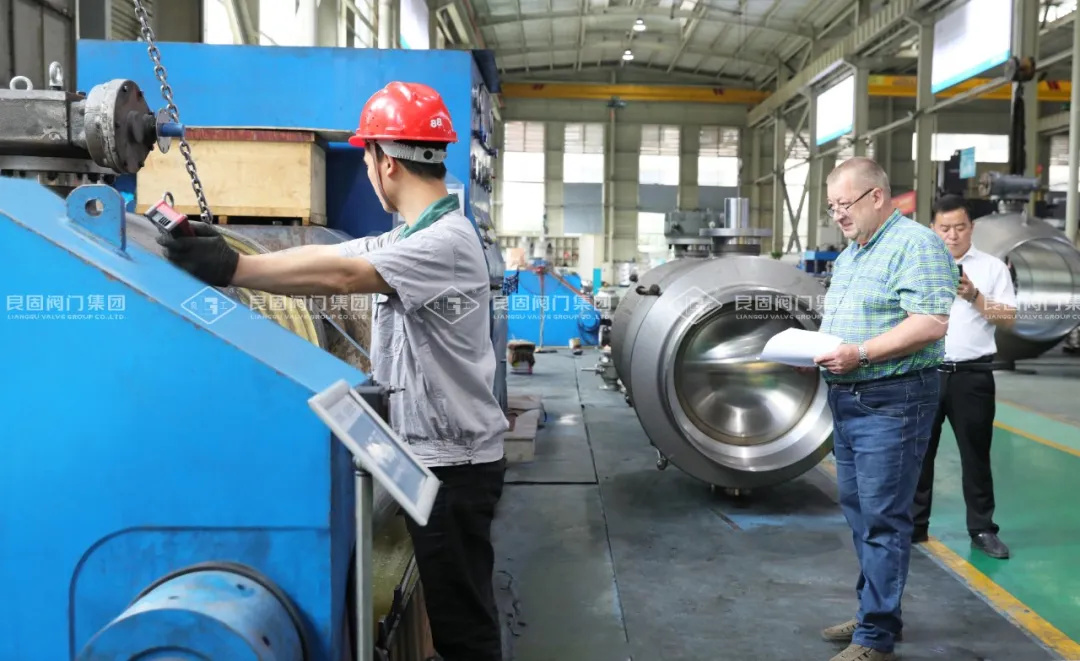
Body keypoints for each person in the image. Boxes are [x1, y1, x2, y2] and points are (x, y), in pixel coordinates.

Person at [158, 81, 509, 661]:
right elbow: (337, 256)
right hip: (439, 456)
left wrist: (234, 271)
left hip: (455, 466)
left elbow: (343, 277)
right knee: (456, 612)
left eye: (366, 159)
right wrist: (231, 251)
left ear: (385, 161)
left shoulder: (443, 243)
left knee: (463, 629)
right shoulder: (415, 234)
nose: (368, 172)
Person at [811, 158, 957, 661]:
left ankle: (875, 635)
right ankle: (875, 610)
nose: (838, 215)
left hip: (892, 400)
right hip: (848, 398)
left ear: (876, 196)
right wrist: (817, 355)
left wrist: (861, 353)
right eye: (831, 207)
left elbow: (930, 322)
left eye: (844, 204)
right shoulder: (853, 254)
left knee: (883, 519)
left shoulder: (916, 245)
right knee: (860, 513)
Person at [912, 194, 1016, 559]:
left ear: (971, 228)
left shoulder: (992, 268)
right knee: (918, 453)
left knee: (976, 455)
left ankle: (982, 529)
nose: (952, 235)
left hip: (972, 376)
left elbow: (1008, 319)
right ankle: (914, 525)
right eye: (945, 228)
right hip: (924, 373)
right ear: (932, 229)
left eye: (959, 227)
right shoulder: (916, 266)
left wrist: (974, 296)